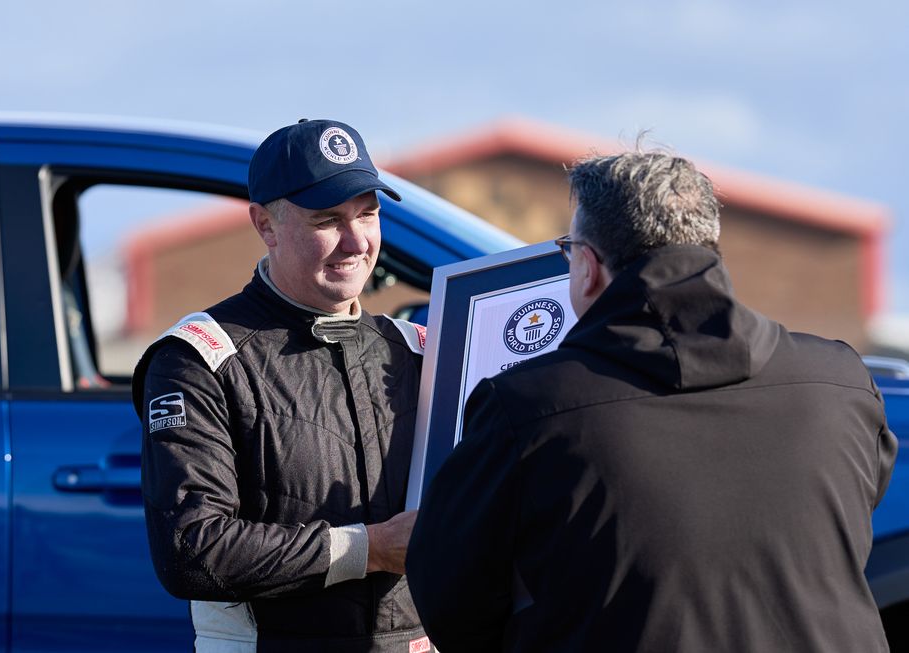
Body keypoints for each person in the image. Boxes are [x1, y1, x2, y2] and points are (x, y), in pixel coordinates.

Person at [406, 149, 898, 652]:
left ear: (587, 266)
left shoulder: (526, 405)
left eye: (567, 250)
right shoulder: (842, 379)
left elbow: (452, 600)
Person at [132, 119, 428, 653]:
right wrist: (373, 549)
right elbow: (191, 551)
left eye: (368, 213)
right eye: (328, 220)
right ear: (265, 225)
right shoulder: (198, 359)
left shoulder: (416, 351)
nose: (357, 241)